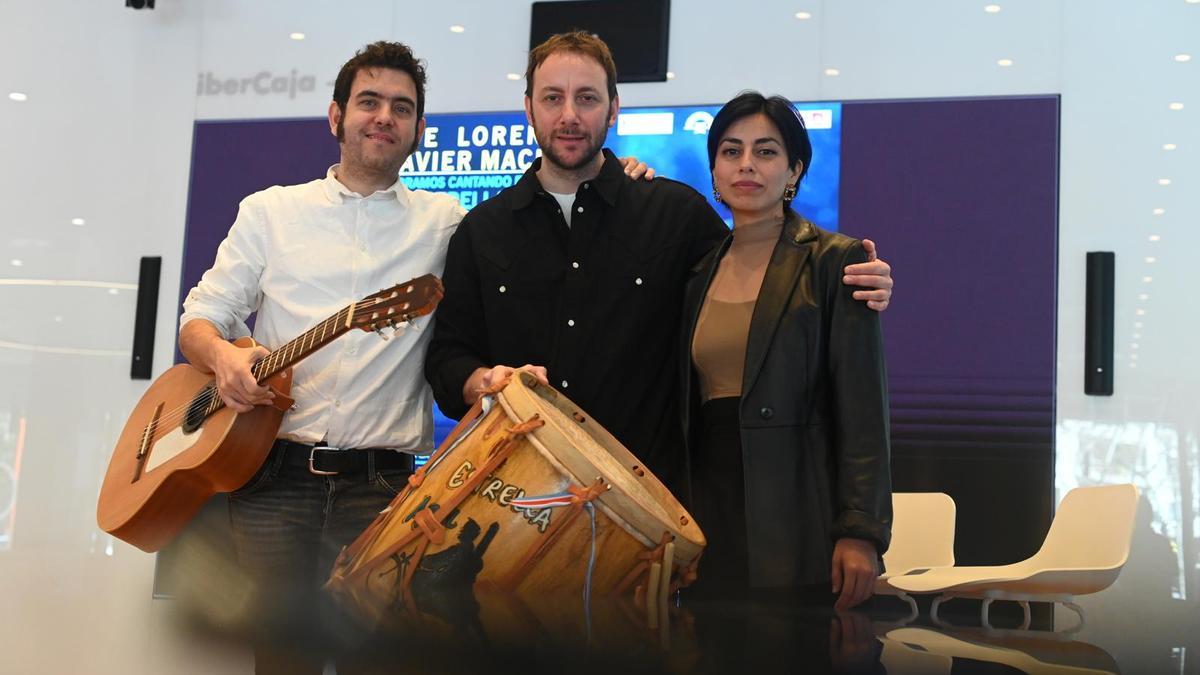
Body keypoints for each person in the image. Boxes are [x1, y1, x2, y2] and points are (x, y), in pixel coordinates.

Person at [424, 31, 894, 496]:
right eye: (553, 98)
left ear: (613, 109)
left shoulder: (675, 214)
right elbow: (447, 357)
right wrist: (484, 380)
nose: (569, 115)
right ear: (528, 108)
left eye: (587, 98)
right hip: (517, 501)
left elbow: (765, 278)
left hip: (654, 510)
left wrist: (840, 274)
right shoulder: (481, 231)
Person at [681, 92, 891, 610]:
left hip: (799, 513)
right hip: (710, 514)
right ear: (714, 169)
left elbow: (863, 411)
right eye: (731, 151)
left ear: (794, 169)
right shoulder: (696, 271)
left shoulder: (835, 261)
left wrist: (860, 531)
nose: (746, 164)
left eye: (766, 151)